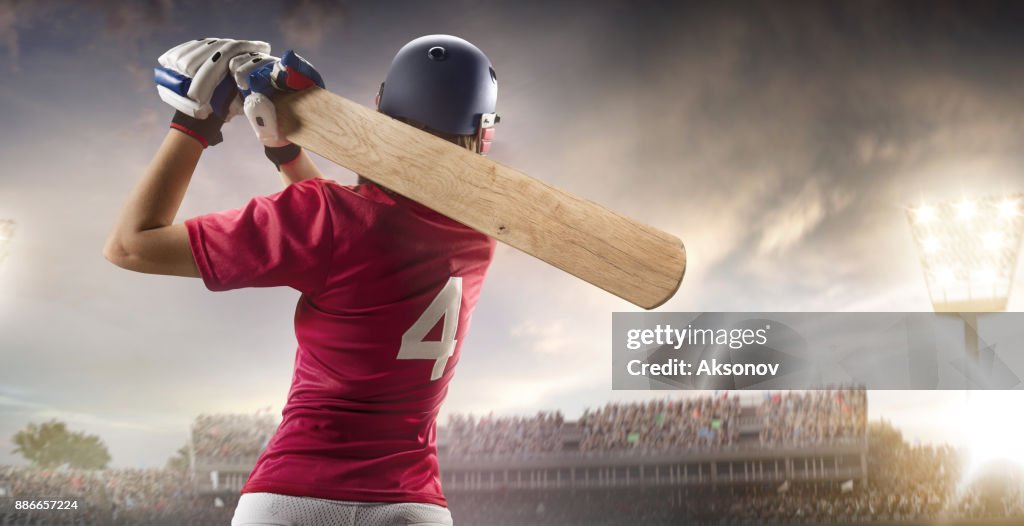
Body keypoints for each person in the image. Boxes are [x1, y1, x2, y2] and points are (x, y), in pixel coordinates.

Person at [104, 34, 500, 525]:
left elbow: (130, 244)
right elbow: (357, 231)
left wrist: (192, 122)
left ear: (380, 109)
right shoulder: (482, 236)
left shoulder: (324, 217)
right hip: (412, 503)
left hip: (294, 493)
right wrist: (285, 153)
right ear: (483, 134)